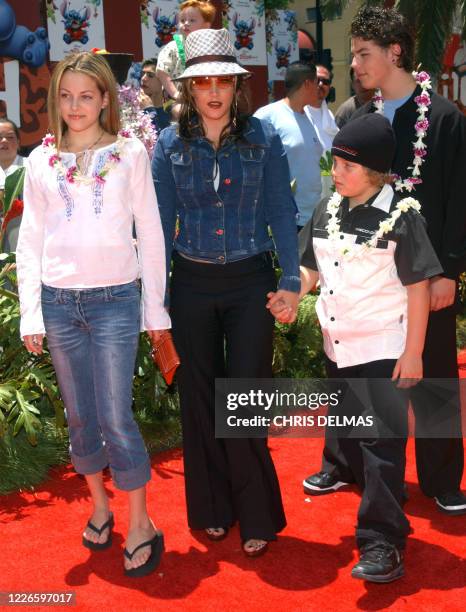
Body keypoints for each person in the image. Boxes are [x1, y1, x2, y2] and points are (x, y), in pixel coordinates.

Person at [304, 5, 466, 516]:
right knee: (349, 369)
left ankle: (441, 478)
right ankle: (344, 462)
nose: (355, 64)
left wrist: (449, 271)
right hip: (360, 276)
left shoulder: (442, 119)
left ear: (395, 52)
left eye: (363, 54)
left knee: (433, 373)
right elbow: (338, 196)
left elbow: (459, 199)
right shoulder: (353, 115)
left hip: (425, 274)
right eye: (353, 54)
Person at [269, 113, 443, 582]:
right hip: (338, 341)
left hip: (385, 347)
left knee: (382, 445)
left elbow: (418, 289)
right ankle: (341, 468)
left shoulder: (402, 218)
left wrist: (414, 353)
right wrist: (293, 293)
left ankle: (382, 540)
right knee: (348, 420)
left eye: (346, 165)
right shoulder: (328, 208)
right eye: (336, 163)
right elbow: (312, 267)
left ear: (375, 172)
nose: (336, 172)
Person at [16, 52, 170, 577]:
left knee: (115, 417)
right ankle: (100, 507)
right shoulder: (41, 161)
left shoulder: (130, 155)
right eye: (65, 95)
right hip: (59, 304)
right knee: (80, 417)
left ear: (106, 99)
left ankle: (142, 522)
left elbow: (150, 234)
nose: (75, 106)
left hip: (115, 303)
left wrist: (155, 311)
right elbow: (30, 242)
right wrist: (30, 315)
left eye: (86, 96)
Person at [152, 28, 300, 557]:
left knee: (245, 399)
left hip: (251, 283)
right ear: (188, 90)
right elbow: (158, 221)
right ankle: (212, 508)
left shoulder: (264, 136)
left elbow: (283, 211)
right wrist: (157, 294)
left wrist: (291, 280)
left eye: (222, 81)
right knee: (200, 399)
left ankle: (257, 513)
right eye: (202, 82)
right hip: (190, 284)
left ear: (237, 86)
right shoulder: (170, 143)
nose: (213, 91)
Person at [254, 62, 323, 231]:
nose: (320, 88)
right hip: (285, 218)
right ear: (307, 83)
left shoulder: (310, 117)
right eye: (317, 83)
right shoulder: (267, 116)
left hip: (313, 216)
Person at [156, 0, 215, 103]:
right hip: (178, 101)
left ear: (206, 25)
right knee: (179, 112)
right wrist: (175, 94)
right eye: (182, 20)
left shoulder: (211, 48)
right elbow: (161, 71)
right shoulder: (174, 47)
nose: (186, 24)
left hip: (204, 101)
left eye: (192, 20)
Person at [0, 118, 26, 252]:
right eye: (0, 137)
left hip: (23, 237)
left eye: (10, 137)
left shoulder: (30, 167)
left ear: (19, 143)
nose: (4, 141)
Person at [304, 64, 339, 152]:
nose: (320, 84)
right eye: (317, 80)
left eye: (325, 82)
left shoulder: (329, 116)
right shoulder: (298, 112)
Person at [139, 58, 171, 135]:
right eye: (142, 74)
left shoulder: (172, 113)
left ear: (163, 80)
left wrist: (150, 110)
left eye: (150, 75)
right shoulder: (133, 110)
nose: (143, 78)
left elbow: (163, 142)